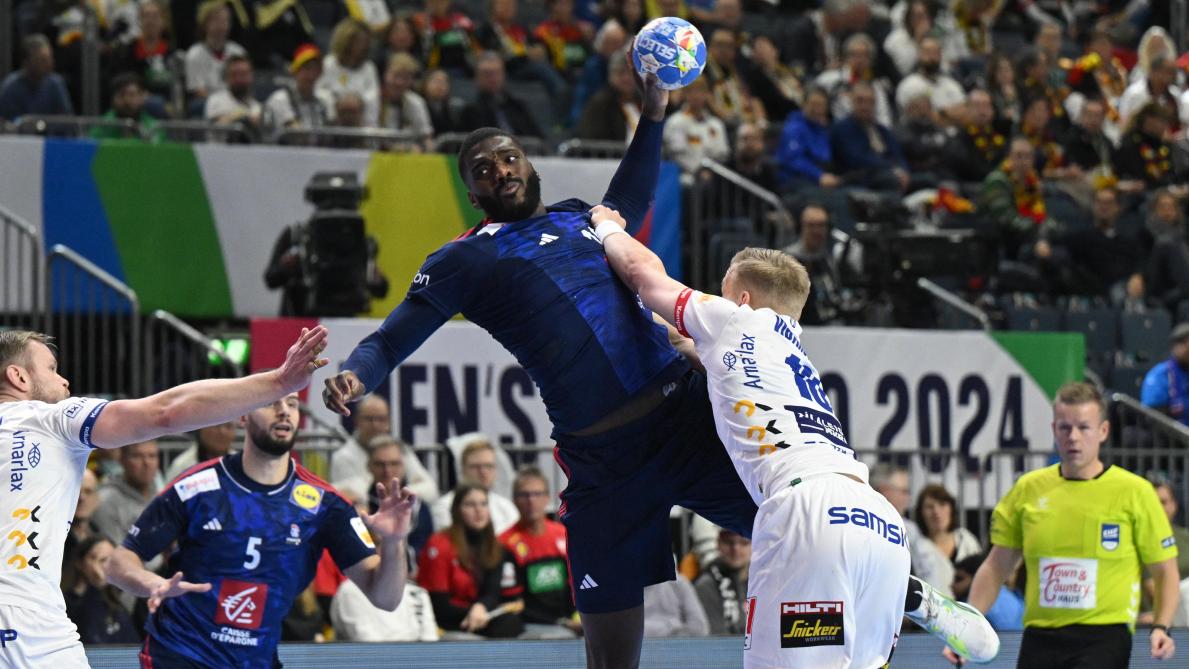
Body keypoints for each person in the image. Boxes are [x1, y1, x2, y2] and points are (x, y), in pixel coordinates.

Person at [322, 58, 763, 669]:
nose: (500, 171)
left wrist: (655, 111)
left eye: (508, 158)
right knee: (610, 661)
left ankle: (916, 614)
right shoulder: (462, 261)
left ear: (529, 165)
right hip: (602, 465)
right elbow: (393, 338)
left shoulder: (581, 218)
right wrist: (356, 373)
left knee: (801, 529)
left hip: (684, 420)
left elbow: (628, 196)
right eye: (483, 170)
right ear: (472, 193)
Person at [589, 208, 999, 666]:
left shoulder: (734, 321)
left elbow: (643, 275)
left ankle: (913, 594)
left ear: (740, 297)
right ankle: (915, 596)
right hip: (877, 520)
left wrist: (604, 226)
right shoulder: (790, 352)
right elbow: (689, 346)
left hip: (806, 512)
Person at [0, 326, 328, 666]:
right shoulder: (50, 418)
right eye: (52, 369)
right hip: (23, 619)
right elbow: (166, 412)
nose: (64, 381)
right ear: (18, 377)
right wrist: (278, 384)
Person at [107, 379, 415, 668]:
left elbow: (385, 598)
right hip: (180, 654)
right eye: (271, 402)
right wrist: (154, 584)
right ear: (242, 415)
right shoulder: (198, 486)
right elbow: (118, 563)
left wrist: (394, 541)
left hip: (255, 660)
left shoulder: (326, 505)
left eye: (293, 404)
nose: (284, 411)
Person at [960, 382, 1179, 668]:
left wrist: (1161, 626)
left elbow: (1165, 571)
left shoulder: (1135, 492)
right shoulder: (1028, 489)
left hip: (1105, 636)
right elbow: (996, 566)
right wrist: (963, 632)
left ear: (1103, 431)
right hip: (1040, 635)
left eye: (1083, 427)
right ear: (1054, 430)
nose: (1073, 437)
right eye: (1065, 428)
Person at [418, 483, 524, 638]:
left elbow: (492, 592)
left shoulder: (495, 546)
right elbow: (438, 604)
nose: (478, 510)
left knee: (511, 623)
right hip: (448, 619)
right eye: (470, 504)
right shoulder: (439, 544)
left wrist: (480, 607)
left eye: (483, 504)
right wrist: (474, 612)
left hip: (481, 614)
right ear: (457, 511)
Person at [499, 467, 580, 638]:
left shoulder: (563, 534)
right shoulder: (504, 543)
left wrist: (578, 616)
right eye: (524, 495)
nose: (531, 500)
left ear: (547, 497)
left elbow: (575, 583)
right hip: (532, 625)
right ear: (514, 499)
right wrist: (564, 623)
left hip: (571, 621)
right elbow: (513, 602)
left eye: (537, 494)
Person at [62, 536, 140, 645]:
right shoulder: (65, 603)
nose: (106, 565)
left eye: (110, 560)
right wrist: (97, 582)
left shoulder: (114, 599)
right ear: (80, 563)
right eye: (101, 559)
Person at [911, 484, 983, 598]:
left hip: (972, 609)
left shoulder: (965, 539)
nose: (936, 512)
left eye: (942, 505)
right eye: (930, 507)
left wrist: (969, 584)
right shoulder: (917, 548)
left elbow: (984, 574)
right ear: (921, 513)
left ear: (951, 509)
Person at [431, 438, 518, 533]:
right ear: (463, 470)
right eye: (476, 467)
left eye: (488, 466)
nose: (483, 472)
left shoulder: (506, 507)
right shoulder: (444, 506)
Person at [367, 437, 434, 554]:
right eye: (380, 464)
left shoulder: (418, 507)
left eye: (394, 464)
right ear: (369, 466)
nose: (387, 470)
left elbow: (423, 551)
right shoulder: (358, 505)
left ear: (404, 466)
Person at [91, 440, 161, 546]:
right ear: (122, 460)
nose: (147, 463)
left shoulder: (160, 493)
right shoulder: (106, 500)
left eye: (152, 456)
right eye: (137, 456)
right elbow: (116, 554)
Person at [0, 34, 74, 121]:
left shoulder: (55, 83)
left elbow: (67, 119)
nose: (49, 64)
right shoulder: (11, 87)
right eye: (42, 60)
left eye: (50, 58)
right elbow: (6, 123)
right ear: (26, 62)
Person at [693, 528, 751, 635]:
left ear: (753, 545)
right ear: (718, 544)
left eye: (744, 543)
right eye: (729, 542)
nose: (736, 549)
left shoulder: (763, 583)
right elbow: (716, 640)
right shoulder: (706, 586)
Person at [265, 44, 335, 131]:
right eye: (307, 69)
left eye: (316, 70)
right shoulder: (280, 99)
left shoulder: (325, 98)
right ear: (295, 70)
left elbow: (332, 131)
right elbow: (295, 135)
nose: (311, 76)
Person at [1141, 322, 1189, 427]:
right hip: (1172, 436)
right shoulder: (1161, 373)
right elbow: (1153, 415)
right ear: (1175, 346)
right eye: (1185, 345)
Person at [91, 72, 161, 141]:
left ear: (143, 96)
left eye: (132, 95)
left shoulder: (155, 128)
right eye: (121, 95)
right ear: (113, 99)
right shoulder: (101, 128)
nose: (127, 101)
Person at [163, 422, 237, 482]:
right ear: (201, 429)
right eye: (216, 425)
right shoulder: (182, 466)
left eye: (228, 426)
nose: (222, 432)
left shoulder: (240, 464)